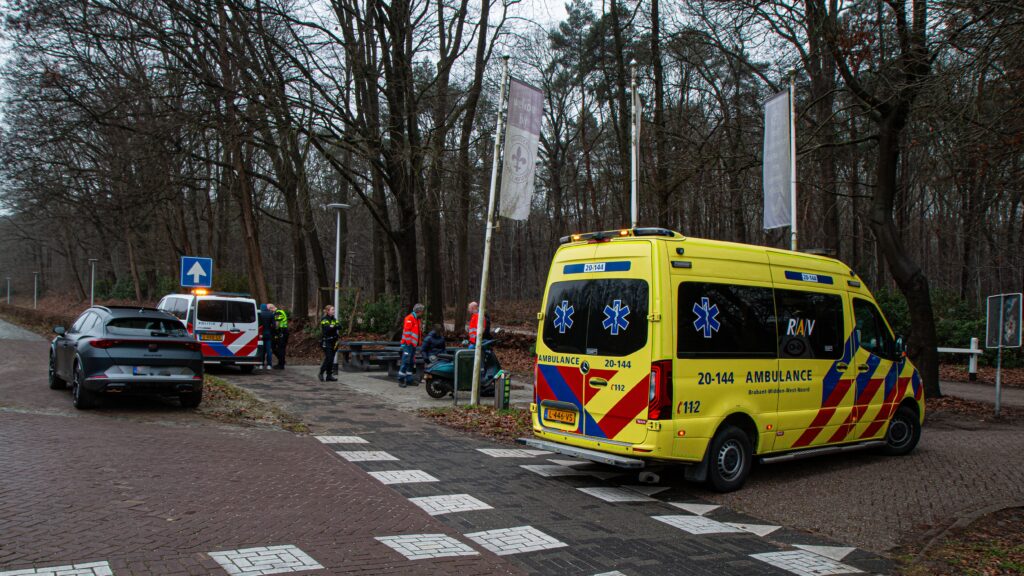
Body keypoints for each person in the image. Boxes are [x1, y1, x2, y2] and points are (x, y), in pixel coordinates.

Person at [398, 303, 424, 388]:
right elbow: (407, 333)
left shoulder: (417, 319)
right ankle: (401, 379)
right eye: (422, 311)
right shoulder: (409, 318)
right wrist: (409, 343)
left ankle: (409, 380)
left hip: (413, 345)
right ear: (419, 311)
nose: (422, 313)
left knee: (411, 362)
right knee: (405, 361)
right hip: (408, 344)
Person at [318, 305, 340, 382]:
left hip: (334, 341)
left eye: (333, 309)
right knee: (329, 358)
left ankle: (329, 375)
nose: (333, 311)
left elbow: (339, 326)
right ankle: (321, 372)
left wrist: (333, 326)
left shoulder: (334, 319)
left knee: (331, 359)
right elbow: (327, 329)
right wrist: (334, 326)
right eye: (332, 309)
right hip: (327, 341)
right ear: (328, 311)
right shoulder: (324, 319)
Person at [258, 303, 276, 369]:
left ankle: (261, 364)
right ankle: (269, 365)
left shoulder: (260, 314)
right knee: (268, 350)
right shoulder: (271, 314)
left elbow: (259, 325)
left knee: (261, 350)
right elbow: (274, 326)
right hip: (268, 334)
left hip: (261, 335)